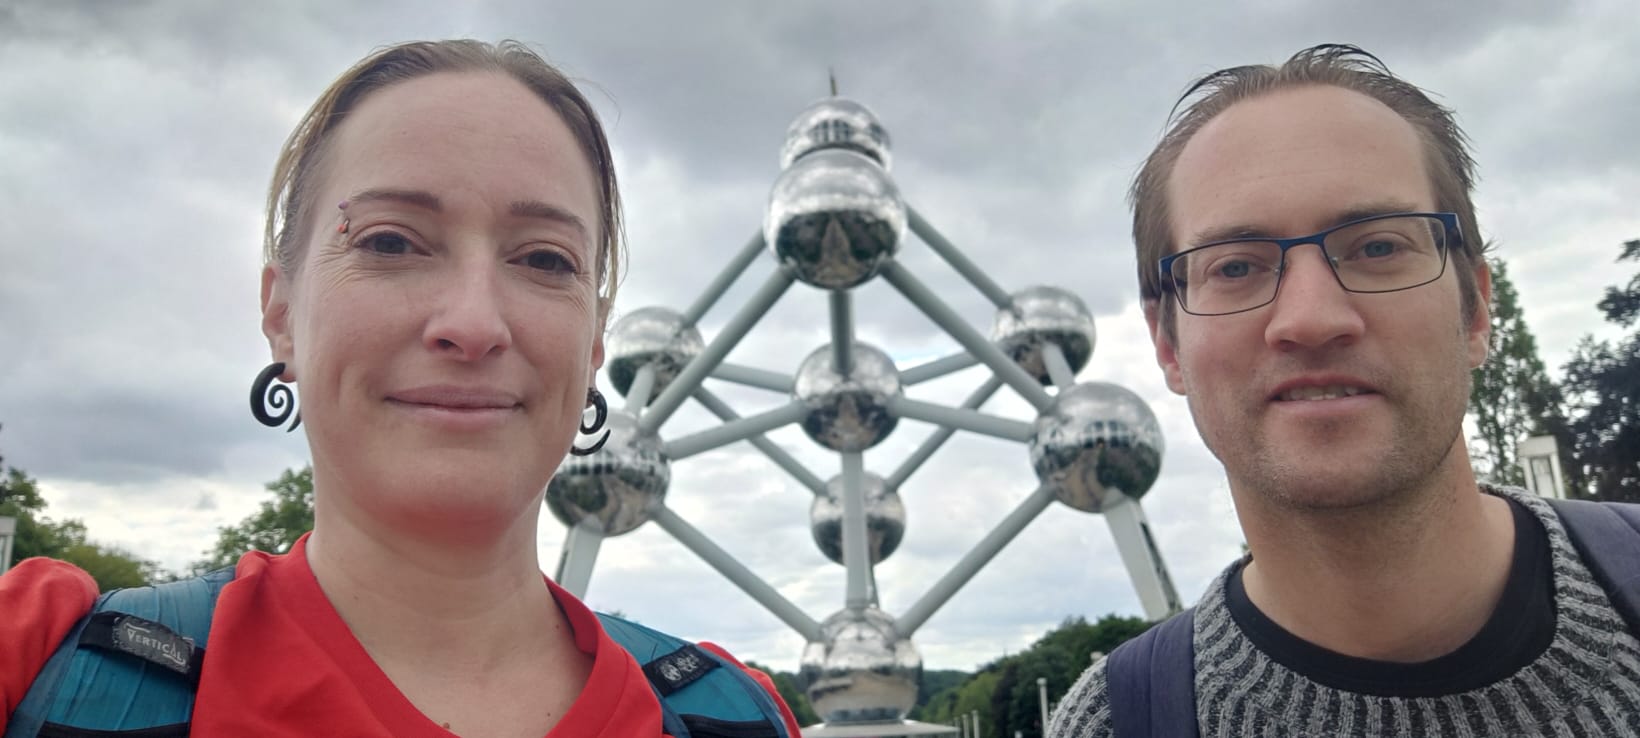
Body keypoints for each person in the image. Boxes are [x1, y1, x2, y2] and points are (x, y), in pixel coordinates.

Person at [0, 39, 800, 737]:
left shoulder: (728, 716)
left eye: (546, 258)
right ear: (281, 312)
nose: (474, 322)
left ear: (594, 342)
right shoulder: (43, 658)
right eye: (390, 241)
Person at [1050, 44, 1640, 737]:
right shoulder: (1116, 723)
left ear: (1475, 311)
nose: (1311, 319)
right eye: (1236, 266)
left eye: (1379, 247)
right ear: (1168, 346)